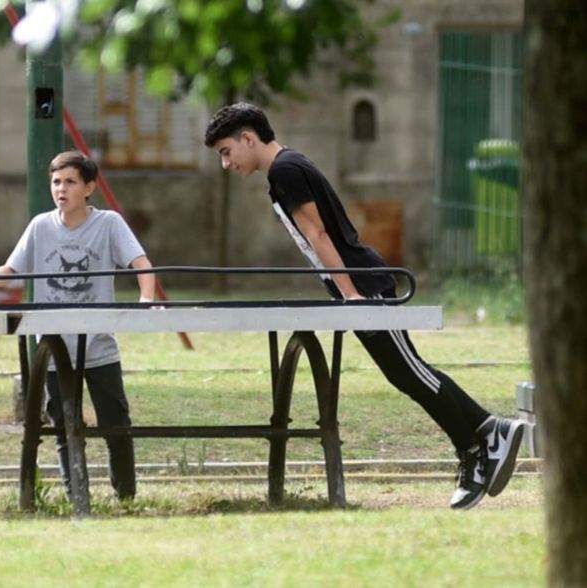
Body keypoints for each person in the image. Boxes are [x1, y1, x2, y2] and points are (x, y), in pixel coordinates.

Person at [203, 103, 526, 510]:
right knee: (404, 373)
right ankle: (479, 439)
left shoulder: (285, 169)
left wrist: (350, 294)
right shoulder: (285, 168)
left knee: (410, 371)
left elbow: (319, 235)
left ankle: (483, 434)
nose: (225, 163)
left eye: (227, 151)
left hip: (364, 283)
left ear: (248, 138)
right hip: (355, 283)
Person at [0, 150, 156, 501]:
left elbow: (141, 264)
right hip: (55, 348)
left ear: (89, 187)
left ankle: (125, 497)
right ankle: (77, 496)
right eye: (56, 182)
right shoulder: (40, 226)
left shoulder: (109, 223)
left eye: (71, 182)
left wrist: (147, 300)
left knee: (117, 427)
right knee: (63, 427)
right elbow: (10, 269)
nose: (62, 189)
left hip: (99, 349)